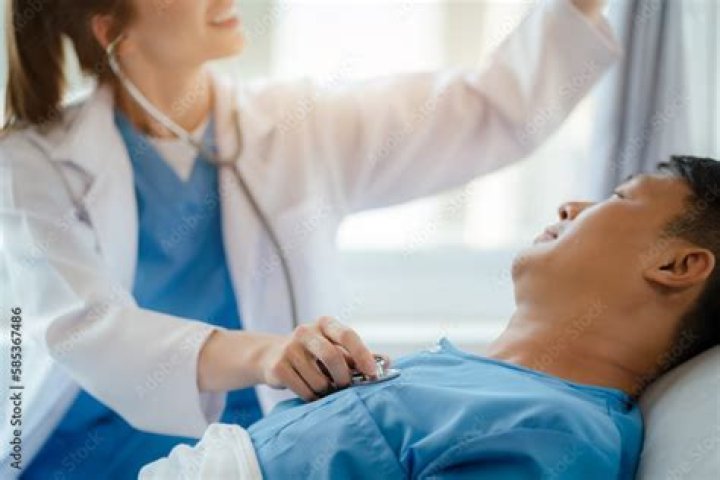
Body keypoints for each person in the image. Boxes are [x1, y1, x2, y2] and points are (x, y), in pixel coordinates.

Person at [0, 0, 617, 477]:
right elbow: (89, 330)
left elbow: (488, 111)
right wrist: (268, 354)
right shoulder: (33, 162)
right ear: (112, 31)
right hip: (84, 455)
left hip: (253, 452)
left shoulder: (298, 126)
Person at [142, 155, 720, 480]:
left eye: (620, 197)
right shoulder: (456, 374)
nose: (570, 206)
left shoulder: (558, 434)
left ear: (677, 264)